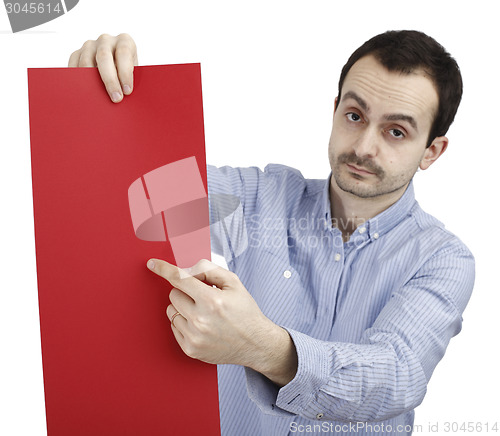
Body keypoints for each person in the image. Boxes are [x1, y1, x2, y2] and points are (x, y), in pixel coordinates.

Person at [69, 31, 475, 435]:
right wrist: (97, 103)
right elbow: (138, 193)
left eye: (396, 132)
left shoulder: (441, 259)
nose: (365, 147)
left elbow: (395, 377)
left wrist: (260, 345)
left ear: (431, 151)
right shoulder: (263, 197)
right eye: (355, 116)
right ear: (335, 110)